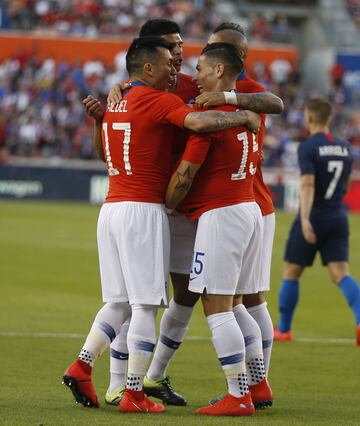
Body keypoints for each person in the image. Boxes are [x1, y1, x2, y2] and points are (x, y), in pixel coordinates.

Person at [62, 36, 261, 414]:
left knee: (118, 301)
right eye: (170, 64)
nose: (177, 70)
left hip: (112, 207)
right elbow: (199, 121)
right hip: (143, 209)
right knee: (144, 305)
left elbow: (103, 152)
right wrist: (244, 116)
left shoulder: (115, 102)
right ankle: (134, 392)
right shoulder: (156, 99)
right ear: (148, 67)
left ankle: (83, 365)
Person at [165, 42, 263, 416]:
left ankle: (238, 395)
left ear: (220, 71)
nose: (196, 76)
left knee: (217, 307)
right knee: (233, 305)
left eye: (202, 68)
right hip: (246, 207)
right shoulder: (245, 111)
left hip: (222, 215)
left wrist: (166, 205)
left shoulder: (211, 117)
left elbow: (183, 179)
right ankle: (254, 382)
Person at [197, 22, 278, 393]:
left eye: (216, 48)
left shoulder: (246, 91)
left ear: (233, 59)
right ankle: (257, 385)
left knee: (237, 301)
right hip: (246, 202)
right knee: (242, 300)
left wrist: (231, 101)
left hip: (244, 203)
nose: (208, 52)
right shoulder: (201, 83)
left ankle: (245, 388)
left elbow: (276, 104)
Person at [274, 98, 360, 346]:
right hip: (337, 216)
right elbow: (344, 186)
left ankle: (284, 329)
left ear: (309, 119)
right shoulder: (344, 147)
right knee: (341, 274)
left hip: (314, 216)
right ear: (329, 119)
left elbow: (308, 183)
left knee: (291, 272)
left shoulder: (308, 147)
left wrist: (304, 219)